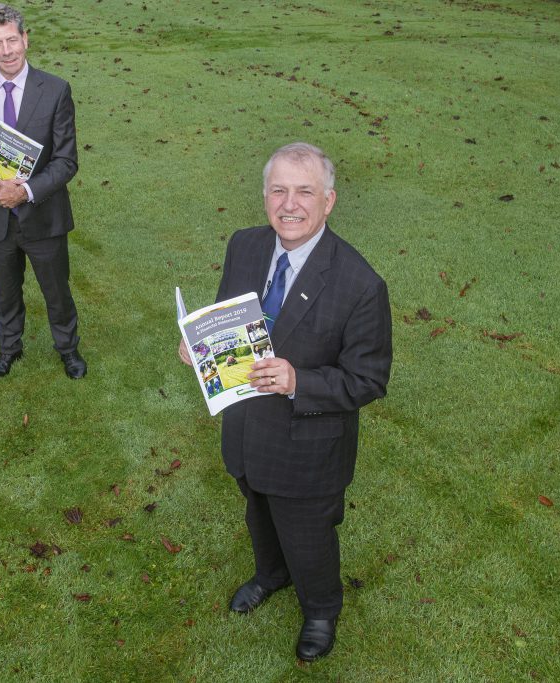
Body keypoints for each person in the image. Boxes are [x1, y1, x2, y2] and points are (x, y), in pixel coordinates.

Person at [178, 142, 392, 662]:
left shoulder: (360, 285)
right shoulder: (245, 245)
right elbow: (228, 313)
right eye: (278, 190)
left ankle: (321, 608)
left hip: (307, 448)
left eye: (304, 192)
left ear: (329, 201)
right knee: (257, 512)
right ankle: (270, 575)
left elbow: (367, 380)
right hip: (247, 430)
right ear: (265, 196)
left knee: (308, 536)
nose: (289, 204)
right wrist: (200, 343)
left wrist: (299, 380)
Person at [0, 3, 87, 380]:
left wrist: (25, 191)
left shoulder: (56, 90)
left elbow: (66, 161)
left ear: (26, 39)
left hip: (44, 215)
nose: (7, 50)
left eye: (12, 40)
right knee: (6, 293)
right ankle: (9, 350)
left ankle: (68, 350)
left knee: (57, 293)